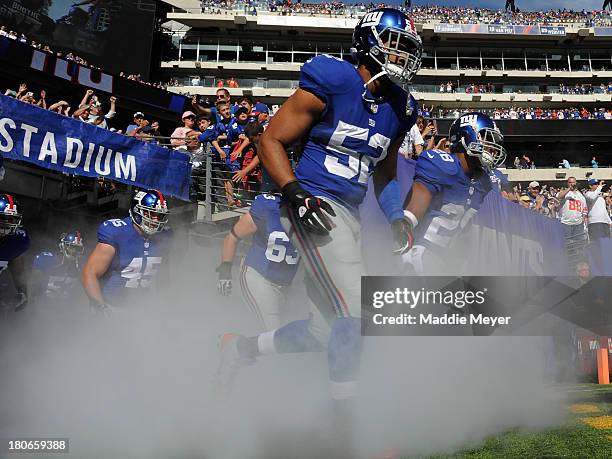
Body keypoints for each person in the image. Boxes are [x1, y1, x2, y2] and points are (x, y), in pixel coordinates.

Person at [215, 7, 422, 453]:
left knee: (324, 332)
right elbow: (271, 138)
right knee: (359, 312)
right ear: (368, 41)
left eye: (408, 46)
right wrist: (293, 194)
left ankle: (240, 350)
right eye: (396, 42)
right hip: (312, 205)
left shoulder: (400, 107)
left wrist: (395, 216)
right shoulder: (335, 79)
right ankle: (341, 429)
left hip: (345, 211)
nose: (403, 54)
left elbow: (384, 175)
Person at [401, 112, 507, 275]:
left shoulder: (483, 181)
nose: (492, 147)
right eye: (487, 139)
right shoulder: (441, 164)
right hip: (419, 255)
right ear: (467, 136)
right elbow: (413, 211)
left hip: (445, 261)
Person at [217, 192, 300, 331]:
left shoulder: (309, 210)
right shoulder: (267, 207)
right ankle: (232, 346)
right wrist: (225, 272)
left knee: (295, 332)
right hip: (258, 277)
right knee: (273, 332)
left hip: (287, 284)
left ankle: (234, 342)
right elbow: (232, 237)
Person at [81, 189, 172, 312]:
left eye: (159, 215)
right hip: (110, 306)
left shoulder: (165, 236)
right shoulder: (117, 231)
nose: (155, 220)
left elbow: (163, 275)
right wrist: (100, 306)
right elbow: (90, 273)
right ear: (137, 211)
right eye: (150, 214)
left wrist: (164, 305)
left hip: (141, 312)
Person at [31, 231, 84, 301]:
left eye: (78, 248)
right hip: (45, 304)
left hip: (67, 307)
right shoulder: (47, 259)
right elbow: (33, 286)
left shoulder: (82, 265)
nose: (75, 251)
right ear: (62, 246)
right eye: (72, 247)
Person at [0, 194, 29, 313]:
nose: (7, 224)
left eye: (11, 219)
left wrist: (22, 291)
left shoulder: (17, 240)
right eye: (2, 218)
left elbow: (18, 269)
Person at [556, 177, 588, 270]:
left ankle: (577, 266)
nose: (572, 184)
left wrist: (583, 218)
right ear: (567, 183)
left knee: (579, 247)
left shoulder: (580, 195)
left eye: (573, 182)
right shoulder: (565, 192)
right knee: (566, 246)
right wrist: (569, 189)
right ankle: (567, 265)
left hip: (578, 224)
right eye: (570, 182)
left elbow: (584, 208)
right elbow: (559, 197)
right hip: (566, 223)